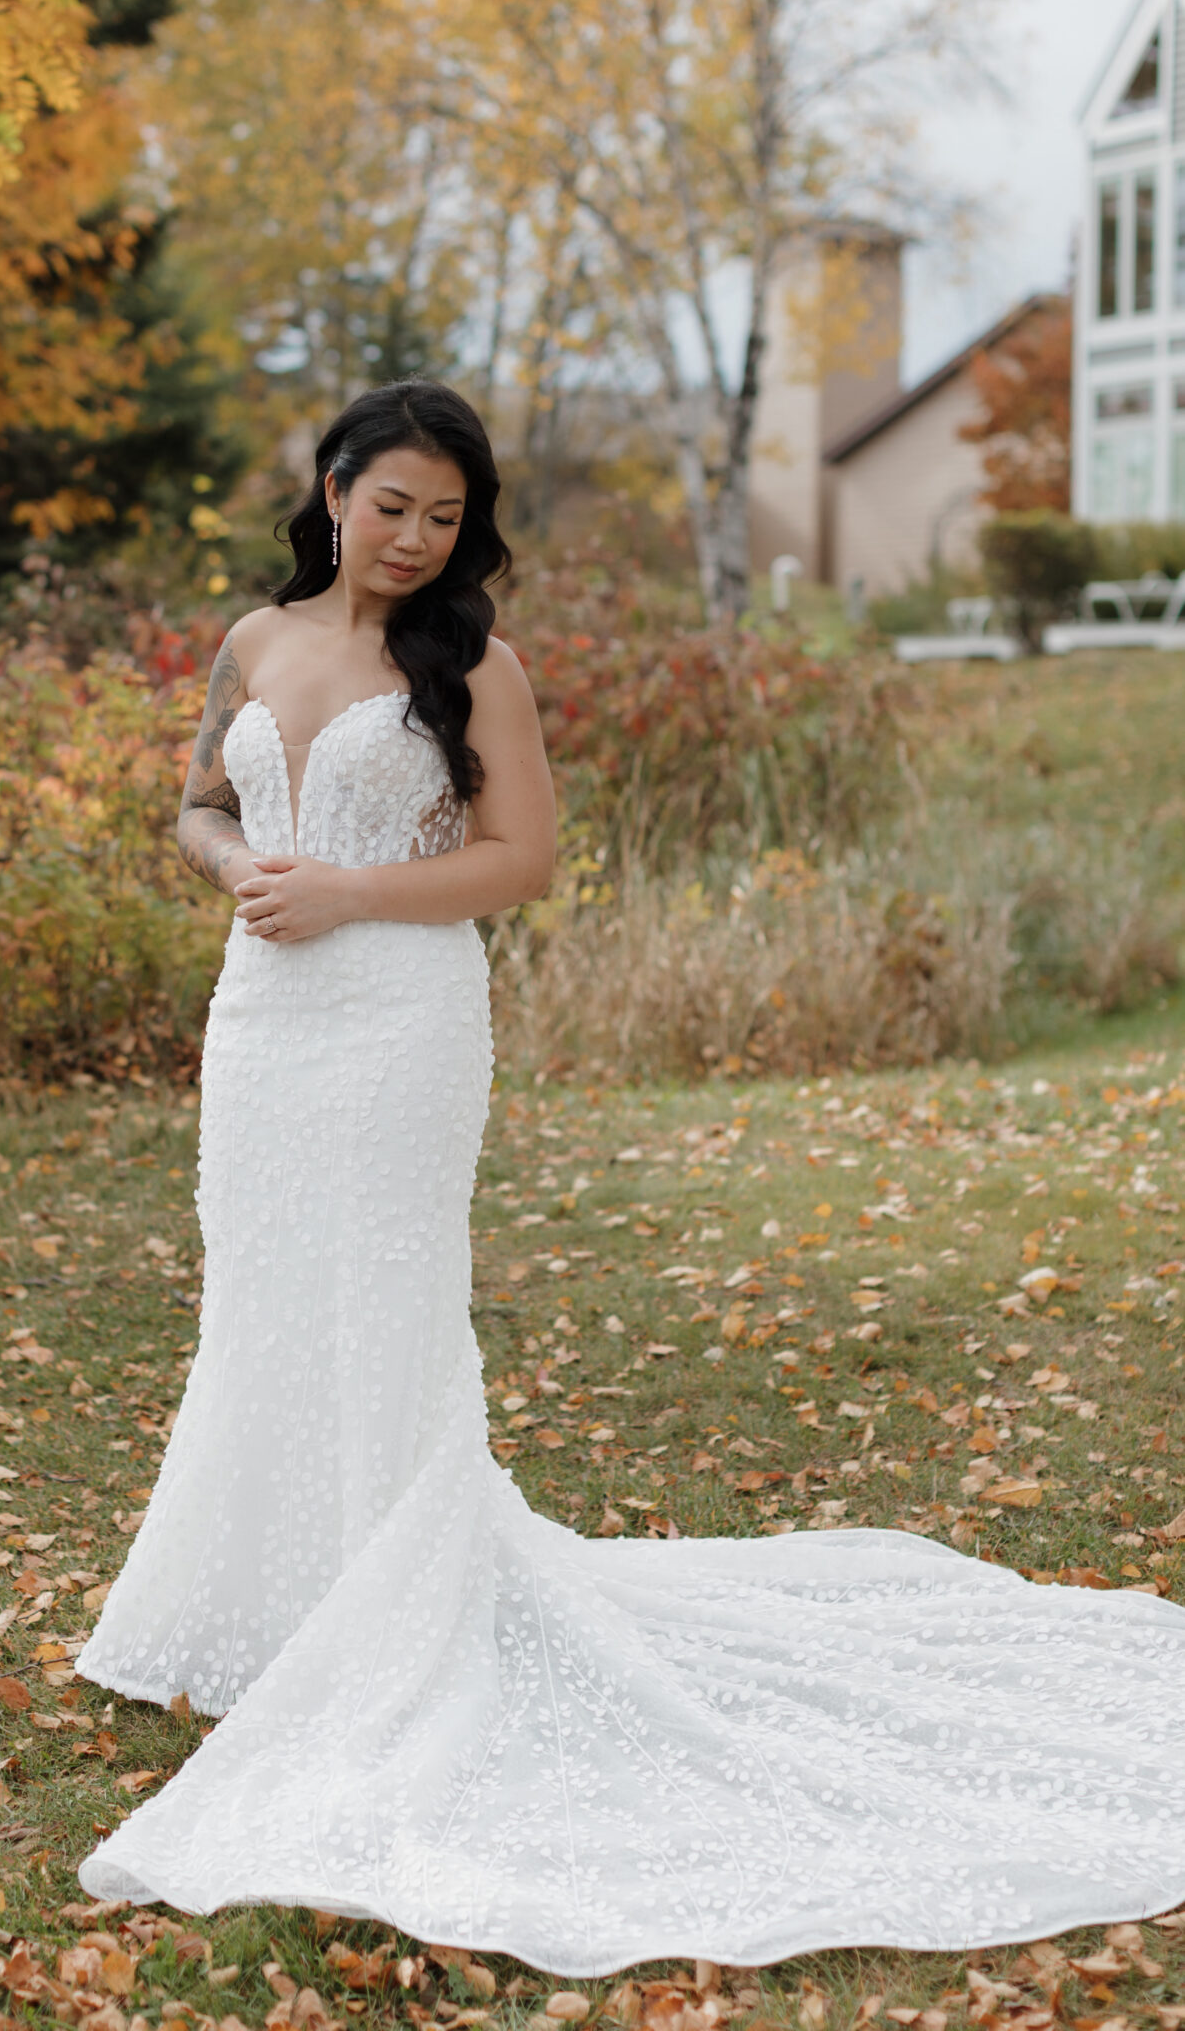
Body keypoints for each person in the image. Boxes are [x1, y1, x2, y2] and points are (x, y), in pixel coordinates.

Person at [77, 379, 1185, 1974]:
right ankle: (255, 1606)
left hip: (395, 1018)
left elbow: (519, 862)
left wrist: (349, 893)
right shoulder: (253, 643)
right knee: (258, 1298)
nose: (413, 538)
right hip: (261, 1026)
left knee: (384, 1303)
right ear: (331, 492)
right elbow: (193, 805)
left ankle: (394, 1623)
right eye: (391, 505)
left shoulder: (478, 667)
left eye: (446, 518)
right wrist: (245, 867)